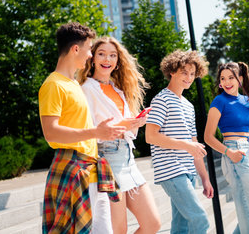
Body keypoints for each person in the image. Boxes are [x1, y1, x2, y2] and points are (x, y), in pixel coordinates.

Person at [39, 22, 125, 234]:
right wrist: (96, 132)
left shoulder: (74, 84)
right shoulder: (53, 85)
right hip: (72, 169)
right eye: (88, 49)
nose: (90, 56)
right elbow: (51, 133)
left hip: (91, 173)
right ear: (75, 49)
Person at [78, 36, 161, 234]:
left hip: (128, 160)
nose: (107, 59)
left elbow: (127, 131)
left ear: (117, 61)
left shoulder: (118, 90)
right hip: (106, 160)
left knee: (153, 224)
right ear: (92, 58)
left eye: (112, 55)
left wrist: (136, 123)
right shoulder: (86, 89)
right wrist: (125, 124)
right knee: (118, 230)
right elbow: (89, 131)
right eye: (102, 54)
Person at [145, 50, 214, 234]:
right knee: (200, 221)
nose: (189, 78)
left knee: (181, 227)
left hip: (188, 172)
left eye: (192, 74)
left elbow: (195, 146)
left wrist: (205, 179)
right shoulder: (161, 99)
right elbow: (150, 136)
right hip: (171, 170)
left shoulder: (188, 106)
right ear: (172, 71)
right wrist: (187, 145)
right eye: (184, 72)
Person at [204, 62, 249, 234]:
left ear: (240, 79)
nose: (227, 82)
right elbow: (208, 137)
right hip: (234, 153)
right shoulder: (219, 101)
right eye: (222, 78)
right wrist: (229, 153)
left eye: (231, 77)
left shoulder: (247, 101)